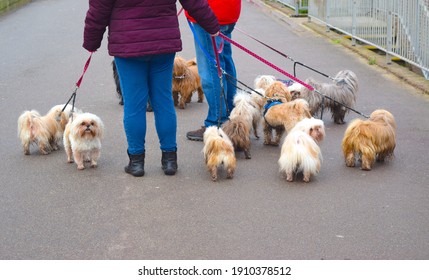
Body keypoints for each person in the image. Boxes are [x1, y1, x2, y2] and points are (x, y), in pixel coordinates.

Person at [83, 0, 219, 177]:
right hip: (163, 43)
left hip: (127, 44)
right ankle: (170, 160)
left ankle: (136, 162)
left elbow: (99, 9)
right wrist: (212, 26)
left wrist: (92, 42)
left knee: (134, 105)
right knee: (164, 102)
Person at [185, 0, 241, 141]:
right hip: (229, 10)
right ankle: (231, 118)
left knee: (210, 69)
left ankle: (216, 122)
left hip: (208, 12)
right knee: (225, 62)